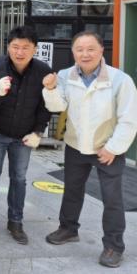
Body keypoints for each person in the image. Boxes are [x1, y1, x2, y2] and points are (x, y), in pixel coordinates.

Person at [42, 31, 137, 268]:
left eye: (90, 49)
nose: (85, 54)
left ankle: (114, 246)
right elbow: (57, 106)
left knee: (112, 198)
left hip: (107, 148)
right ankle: (68, 228)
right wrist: (50, 89)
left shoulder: (120, 80)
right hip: (76, 145)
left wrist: (113, 148)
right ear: (73, 52)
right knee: (72, 190)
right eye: (79, 49)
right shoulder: (65, 75)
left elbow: (129, 119)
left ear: (101, 50)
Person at [0, 26, 52, 245]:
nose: (20, 52)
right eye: (15, 46)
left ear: (35, 49)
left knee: (19, 178)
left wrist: (38, 131)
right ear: (8, 47)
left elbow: (45, 106)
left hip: (24, 136)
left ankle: (16, 221)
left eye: (26, 47)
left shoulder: (43, 71)